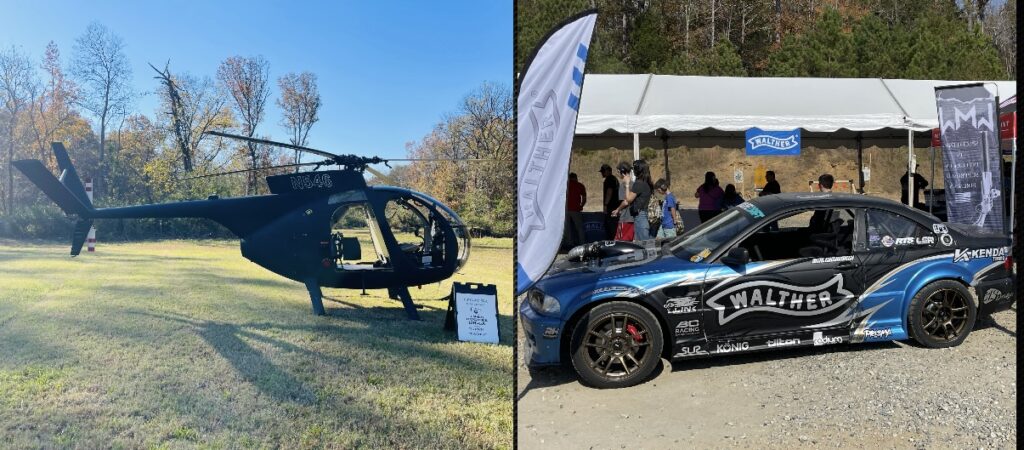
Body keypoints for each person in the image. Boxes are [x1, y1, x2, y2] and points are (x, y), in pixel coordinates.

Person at [612, 159, 654, 242]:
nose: (633, 171)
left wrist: (618, 209)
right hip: (638, 216)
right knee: (638, 243)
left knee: (622, 242)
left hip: (633, 217)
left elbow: (627, 200)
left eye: (634, 169)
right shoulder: (642, 183)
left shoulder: (637, 184)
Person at [612, 162, 635, 241]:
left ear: (622, 171)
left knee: (619, 241)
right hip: (633, 218)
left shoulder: (623, 185)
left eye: (618, 172)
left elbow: (626, 202)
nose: (618, 174)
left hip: (625, 218)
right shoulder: (634, 184)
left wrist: (617, 210)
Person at [564, 172, 587, 249]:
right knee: (579, 228)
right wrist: (581, 205)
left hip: (566, 210)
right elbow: (584, 198)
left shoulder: (565, 185)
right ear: (575, 178)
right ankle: (582, 243)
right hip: (576, 209)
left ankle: (569, 243)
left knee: (567, 228)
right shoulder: (580, 185)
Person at [600, 164, 620, 240]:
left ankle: (612, 243)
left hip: (611, 207)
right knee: (612, 227)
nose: (602, 173)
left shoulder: (609, 179)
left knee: (610, 227)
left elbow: (609, 191)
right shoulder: (614, 179)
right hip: (614, 207)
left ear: (608, 171)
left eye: (603, 171)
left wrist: (605, 205)